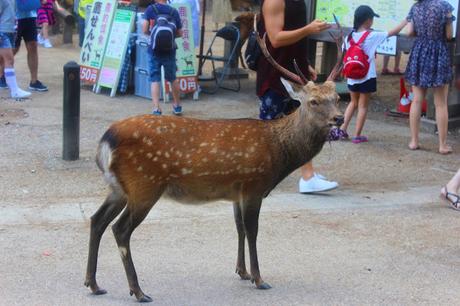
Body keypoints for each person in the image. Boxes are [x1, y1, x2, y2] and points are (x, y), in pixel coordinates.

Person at [257, 0, 338, 193]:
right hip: (275, 76)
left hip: (293, 73)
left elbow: (294, 37)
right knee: (268, 128)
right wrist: (309, 29)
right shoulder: (274, 1)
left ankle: (308, 176)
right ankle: (258, 173)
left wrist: (305, 63)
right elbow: (275, 38)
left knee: (302, 125)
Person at [330, 6, 407, 143]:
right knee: (363, 106)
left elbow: (343, 55)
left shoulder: (349, 37)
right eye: (372, 18)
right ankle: (357, 135)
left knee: (353, 102)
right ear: (367, 20)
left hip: (352, 77)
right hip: (367, 76)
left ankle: (342, 130)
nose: (372, 21)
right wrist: (406, 20)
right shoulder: (372, 36)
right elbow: (393, 32)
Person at [405, 0, 455, 154]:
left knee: (417, 100)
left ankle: (414, 141)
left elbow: (409, 32)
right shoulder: (445, 6)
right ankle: (442, 145)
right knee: (440, 103)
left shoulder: (416, 7)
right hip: (438, 52)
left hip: (419, 51)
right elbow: (448, 35)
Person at [143, 0, 183, 115]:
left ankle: (156, 108)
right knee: (172, 78)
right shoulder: (173, 11)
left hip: (154, 50)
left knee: (155, 78)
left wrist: (154, 35)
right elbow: (180, 33)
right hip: (170, 50)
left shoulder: (151, 9)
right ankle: (177, 105)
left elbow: (144, 29)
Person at [0, 4, 49, 92]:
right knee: (12, 49)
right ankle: (1, 75)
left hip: (30, 15)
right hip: (14, 17)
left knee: (33, 45)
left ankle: (34, 81)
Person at [0, 0, 31, 98]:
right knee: (9, 60)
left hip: (10, 30)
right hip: (2, 32)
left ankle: (14, 90)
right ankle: (14, 91)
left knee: (4, 60)